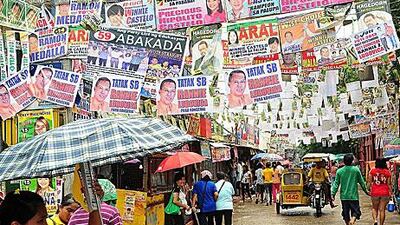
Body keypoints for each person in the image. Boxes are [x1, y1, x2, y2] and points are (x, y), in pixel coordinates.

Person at [332, 154, 369, 225]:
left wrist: (333, 194)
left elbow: (336, 184)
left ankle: (349, 223)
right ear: (352, 161)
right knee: (356, 212)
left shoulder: (339, 171)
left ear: (344, 161)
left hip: (344, 197)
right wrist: (366, 191)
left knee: (346, 214)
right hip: (354, 196)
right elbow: (362, 182)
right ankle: (352, 221)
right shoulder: (356, 170)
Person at [367, 158, 392, 225]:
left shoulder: (372, 171)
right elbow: (389, 183)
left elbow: (369, 182)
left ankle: (375, 220)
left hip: (375, 192)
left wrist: (368, 189)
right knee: (382, 209)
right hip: (385, 192)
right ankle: (381, 224)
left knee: (374, 208)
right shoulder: (387, 172)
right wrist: (391, 193)